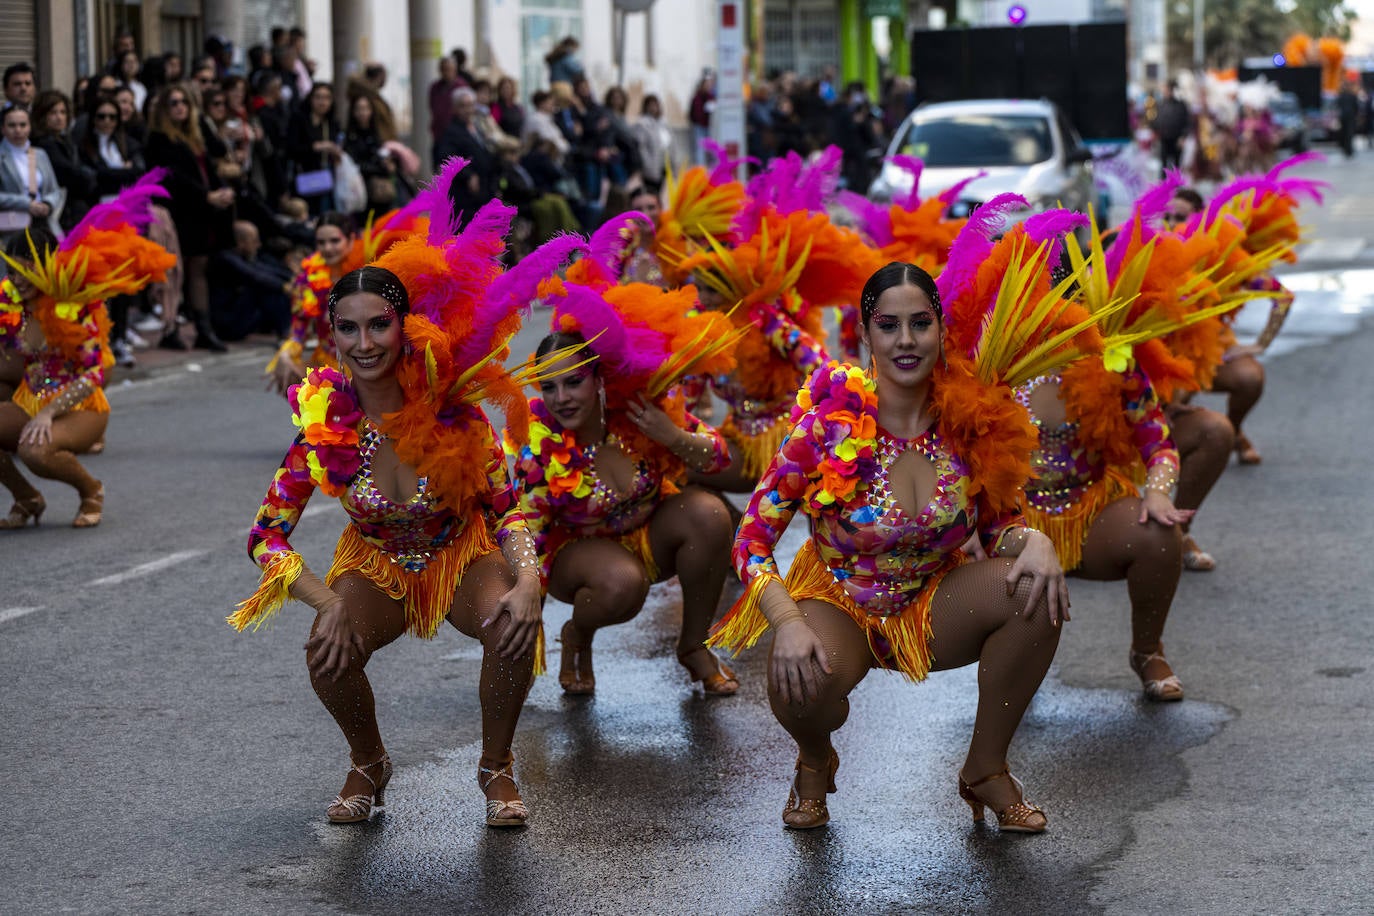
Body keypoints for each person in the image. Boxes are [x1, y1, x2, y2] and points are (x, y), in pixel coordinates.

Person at [230, 177, 567, 827]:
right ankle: (369, 762)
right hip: (378, 563)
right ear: (332, 337)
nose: (364, 343)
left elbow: (508, 510)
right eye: (348, 329)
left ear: (403, 326)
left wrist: (528, 578)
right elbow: (264, 536)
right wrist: (325, 601)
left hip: (460, 554)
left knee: (511, 623)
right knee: (324, 652)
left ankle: (496, 766)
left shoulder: (454, 412)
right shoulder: (323, 427)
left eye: (379, 325)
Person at [710, 257, 1082, 832]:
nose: (906, 341)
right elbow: (752, 540)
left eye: (920, 324)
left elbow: (996, 526)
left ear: (940, 329)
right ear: (865, 334)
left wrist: (1032, 540)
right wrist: (784, 619)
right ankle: (814, 759)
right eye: (889, 325)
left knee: (1034, 591)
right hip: (840, 599)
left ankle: (986, 767)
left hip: (936, 596)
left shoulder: (969, 421)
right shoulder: (824, 427)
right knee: (800, 691)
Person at [507, 260, 741, 697]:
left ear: (599, 379)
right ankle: (578, 635)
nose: (561, 398)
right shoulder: (538, 451)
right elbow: (530, 535)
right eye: (549, 387)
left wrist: (671, 435)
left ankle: (694, 645)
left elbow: (719, 458)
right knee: (622, 582)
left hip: (650, 533)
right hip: (579, 558)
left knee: (709, 514)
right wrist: (527, 607)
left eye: (573, 382)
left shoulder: (639, 412)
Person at [0, 181, 174, 530]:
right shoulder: (11, 303)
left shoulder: (72, 306)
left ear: (46, 268)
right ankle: (26, 497)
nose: (17, 280)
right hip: (29, 399)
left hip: (81, 408)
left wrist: (49, 413)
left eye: (25, 271)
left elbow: (95, 373)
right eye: (12, 271)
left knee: (34, 450)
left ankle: (90, 490)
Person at [143, 84, 233, 352]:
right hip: (177, 212)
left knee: (197, 268)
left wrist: (220, 190)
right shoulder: (159, 139)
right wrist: (207, 195)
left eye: (184, 102)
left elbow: (215, 155)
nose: (180, 107)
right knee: (174, 273)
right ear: (163, 109)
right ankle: (169, 328)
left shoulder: (195, 134)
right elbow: (173, 178)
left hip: (201, 213)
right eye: (173, 102)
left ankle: (203, 329)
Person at [268, 213, 360, 394]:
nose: (327, 248)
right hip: (328, 367)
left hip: (367, 364)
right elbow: (299, 330)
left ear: (350, 239)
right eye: (321, 242)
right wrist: (286, 353)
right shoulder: (307, 281)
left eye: (335, 241)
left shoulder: (368, 276)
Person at [209, 220, 292, 341]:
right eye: (254, 241)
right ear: (240, 242)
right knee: (265, 288)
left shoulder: (242, 257)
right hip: (226, 326)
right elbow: (255, 276)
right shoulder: (226, 259)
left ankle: (287, 328)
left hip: (239, 316)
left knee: (275, 284)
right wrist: (285, 287)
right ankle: (286, 332)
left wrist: (294, 278)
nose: (258, 245)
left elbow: (266, 270)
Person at [31, 90, 97, 231]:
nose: (59, 117)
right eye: (53, 113)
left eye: (62, 112)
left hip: (73, 211)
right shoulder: (44, 144)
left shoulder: (67, 141)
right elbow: (70, 174)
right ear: (42, 116)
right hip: (61, 214)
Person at [0, 106, 63, 242]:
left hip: (44, 225)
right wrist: (27, 204)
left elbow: (55, 190)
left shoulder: (40, 154)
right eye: (12, 125)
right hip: (11, 229)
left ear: (30, 127)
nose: (18, 130)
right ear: (2, 128)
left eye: (23, 125)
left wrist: (48, 204)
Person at [435, 88, 495, 225]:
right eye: (463, 106)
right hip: (466, 194)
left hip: (484, 189)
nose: (468, 109)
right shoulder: (452, 131)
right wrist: (468, 175)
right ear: (455, 109)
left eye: (470, 105)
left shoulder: (476, 127)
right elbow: (447, 157)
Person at [286, 82, 341, 215]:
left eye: (327, 98)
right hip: (304, 175)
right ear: (311, 99)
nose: (322, 102)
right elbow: (291, 148)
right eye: (318, 97)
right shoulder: (299, 119)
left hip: (326, 177)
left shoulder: (332, 123)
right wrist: (316, 147)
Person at [633, 94, 673, 194]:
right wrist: (646, 163)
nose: (653, 108)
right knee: (650, 191)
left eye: (655, 105)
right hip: (650, 164)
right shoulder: (642, 124)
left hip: (663, 163)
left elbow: (670, 142)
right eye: (650, 105)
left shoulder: (663, 123)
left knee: (659, 191)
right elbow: (640, 146)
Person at [1152, 82, 1190, 176]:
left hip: (1177, 139)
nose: (1165, 92)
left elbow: (1187, 122)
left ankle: (1176, 186)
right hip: (1164, 139)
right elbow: (1157, 120)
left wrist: (1183, 137)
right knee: (1164, 165)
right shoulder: (1160, 105)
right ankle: (1164, 186)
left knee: (1176, 165)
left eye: (1167, 90)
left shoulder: (1180, 105)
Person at [427, 57, 459, 150]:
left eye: (449, 69)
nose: (446, 73)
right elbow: (432, 107)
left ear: (454, 70)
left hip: (456, 137)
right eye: (443, 69)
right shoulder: (435, 87)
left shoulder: (461, 87)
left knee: (452, 163)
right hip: (439, 135)